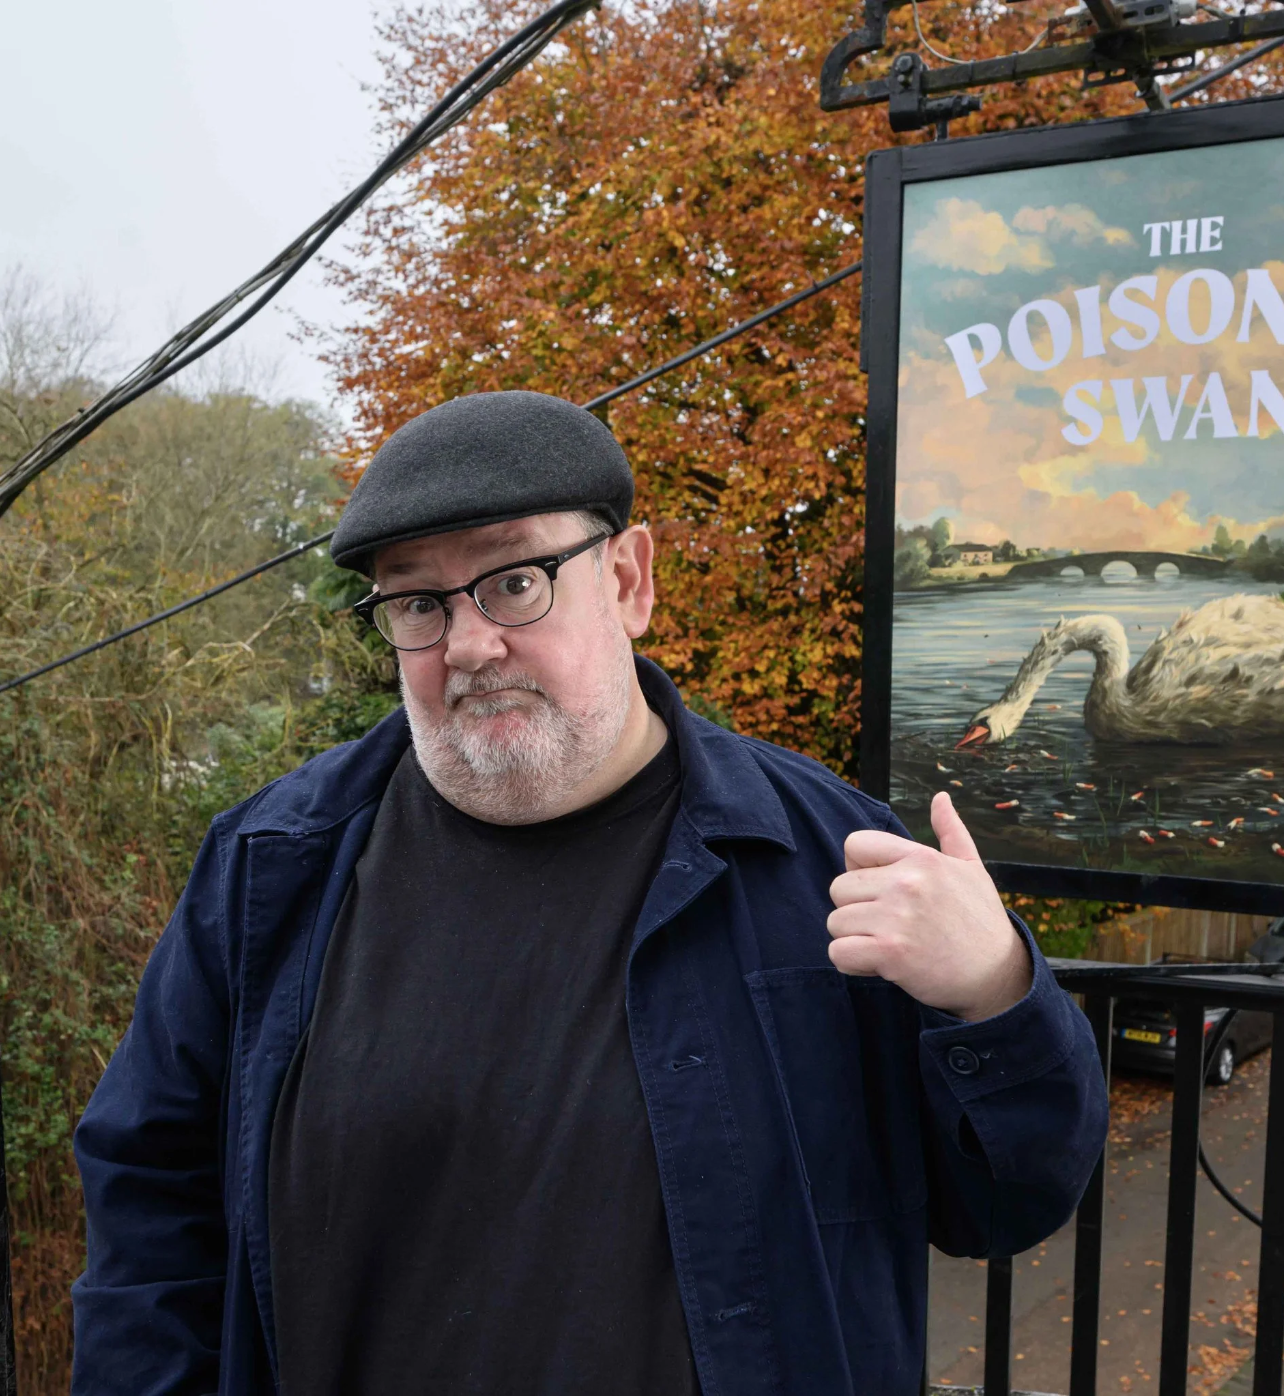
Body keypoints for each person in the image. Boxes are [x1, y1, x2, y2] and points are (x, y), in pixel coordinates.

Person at [70, 391, 1109, 1396]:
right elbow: (151, 1210)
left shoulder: (830, 860)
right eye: (419, 602)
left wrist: (994, 991)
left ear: (627, 580)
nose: (469, 644)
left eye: (516, 580)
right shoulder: (269, 867)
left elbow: (1007, 1203)